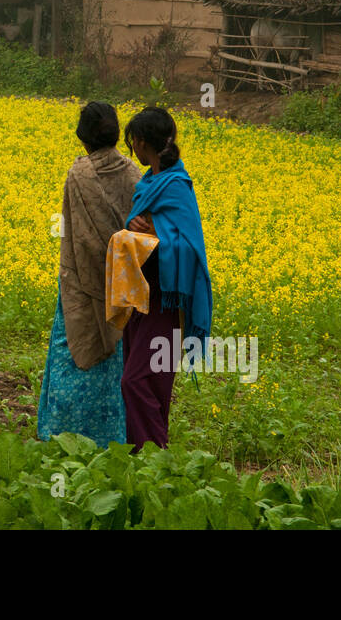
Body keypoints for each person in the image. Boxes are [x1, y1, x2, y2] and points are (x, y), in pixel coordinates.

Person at [37, 101, 141, 448]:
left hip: (80, 284)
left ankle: (63, 435)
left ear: (83, 139)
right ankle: (112, 436)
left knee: (75, 350)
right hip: (122, 287)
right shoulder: (135, 175)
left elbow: (77, 234)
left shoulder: (78, 173)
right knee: (115, 356)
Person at [119, 105, 213, 450]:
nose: (133, 151)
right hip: (140, 296)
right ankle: (144, 455)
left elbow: (191, 249)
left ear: (143, 142)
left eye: (133, 144)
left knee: (137, 380)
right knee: (148, 378)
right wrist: (134, 227)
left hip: (165, 298)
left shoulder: (176, 186)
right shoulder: (150, 182)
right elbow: (137, 230)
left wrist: (156, 234)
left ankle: (152, 455)